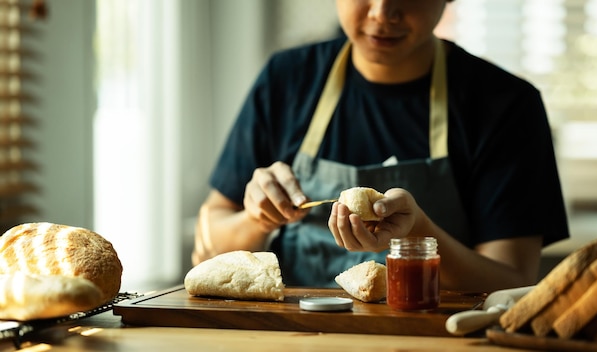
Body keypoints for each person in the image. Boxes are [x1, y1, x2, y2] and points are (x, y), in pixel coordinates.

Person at [192, 0, 570, 292]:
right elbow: (209, 246)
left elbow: (512, 282)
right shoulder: (287, 80)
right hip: (295, 334)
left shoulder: (505, 104)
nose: (382, 12)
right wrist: (256, 218)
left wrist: (418, 234)